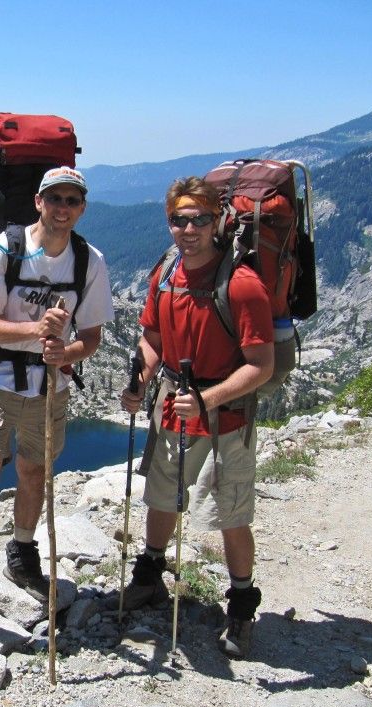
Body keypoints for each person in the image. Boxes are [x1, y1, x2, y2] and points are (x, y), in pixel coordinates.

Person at [0, 166, 115, 634]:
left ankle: (22, 554)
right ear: (38, 202)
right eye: (55, 199)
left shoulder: (89, 261)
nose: (62, 208)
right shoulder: (4, 249)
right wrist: (36, 331)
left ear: (82, 209)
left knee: (34, 472)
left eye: (72, 201)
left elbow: (90, 337)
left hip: (50, 383)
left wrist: (65, 351)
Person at [120, 176, 274, 658]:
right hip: (172, 404)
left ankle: (242, 606)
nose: (188, 229)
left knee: (230, 511)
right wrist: (140, 381)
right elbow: (153, 339)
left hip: (224, 416)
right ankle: (150, 573)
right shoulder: (165, 273)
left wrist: (207, 400)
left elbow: (261, 366)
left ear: (219, 221)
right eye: (178, 219)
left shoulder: (242, 284)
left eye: (199, 219)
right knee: (161, 494)